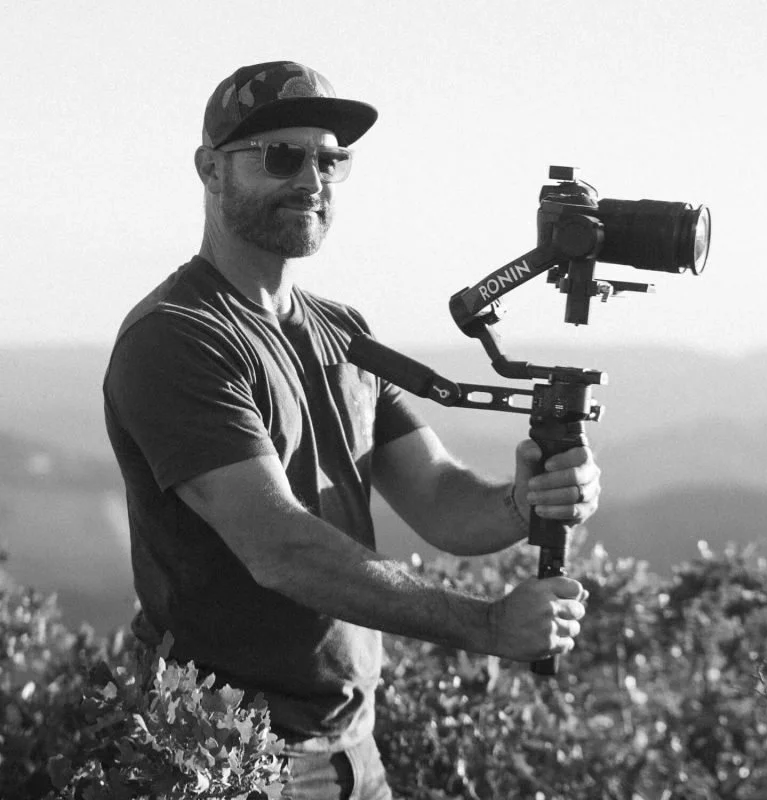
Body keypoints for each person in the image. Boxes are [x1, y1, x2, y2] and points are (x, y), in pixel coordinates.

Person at [103, 61, 601, 800]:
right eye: (282, 157)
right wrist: (488, 626)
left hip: (352, 749)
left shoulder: (344, 333)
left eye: (331, 160)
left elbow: (439, 499)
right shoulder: (178, 337)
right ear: (210, 169)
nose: (312, 179)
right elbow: (281, 550)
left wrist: (523, 501)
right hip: (223, 756)